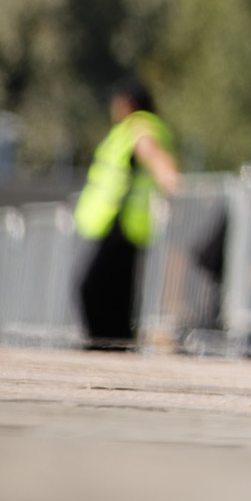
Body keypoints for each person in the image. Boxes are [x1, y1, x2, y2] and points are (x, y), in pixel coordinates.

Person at [74, 76, 181, 350]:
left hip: (123, 226)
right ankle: (114, 347)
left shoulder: (140, 126)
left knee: (92, 287)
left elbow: (154, 155)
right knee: (117, 294)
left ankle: (107, 347)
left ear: (128, 103)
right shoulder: (131, 129)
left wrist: (171, 178)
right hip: (120, 226)